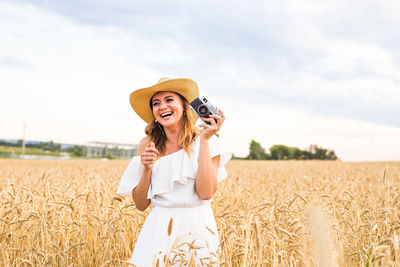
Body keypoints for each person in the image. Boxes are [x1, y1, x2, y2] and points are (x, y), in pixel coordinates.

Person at [116, 77, 231, 266]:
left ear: (185, 107)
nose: (162, 106)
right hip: (158, 230)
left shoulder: (209, 141)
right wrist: (146, 169)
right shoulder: (147, 144)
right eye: (156, 103)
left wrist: (204, 141)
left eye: (169, 100)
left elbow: (206, 192)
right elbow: (140, 204)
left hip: (198, 229)